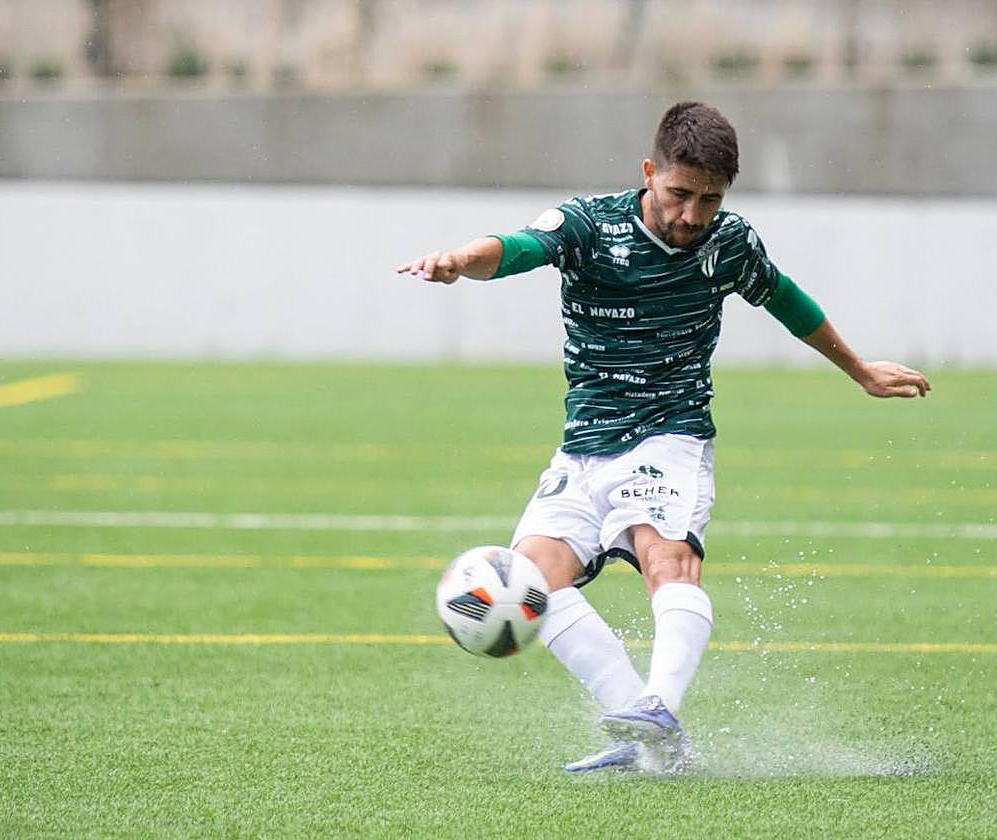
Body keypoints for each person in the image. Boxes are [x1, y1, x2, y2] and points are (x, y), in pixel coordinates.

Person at [396, 101, 931, 773]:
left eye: (709, 200)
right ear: (650, 173)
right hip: (584, 444)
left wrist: (859, 370)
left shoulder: (729, 243)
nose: (692, 214)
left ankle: (658, 704)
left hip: (670, 437)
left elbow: (786, 298)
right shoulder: (588, 226)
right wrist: (458, 261)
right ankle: (653, 738)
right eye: (680, 194)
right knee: (534, 580)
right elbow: (516, 249)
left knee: (666, 557)